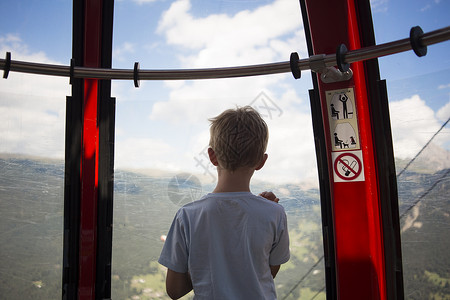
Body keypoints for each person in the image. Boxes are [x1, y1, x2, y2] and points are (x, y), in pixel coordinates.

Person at [158, 106, 290, 299]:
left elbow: (175, 291)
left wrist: (203, 266)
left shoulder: (187, 216)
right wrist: (264, 208)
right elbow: (268, 273)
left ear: (212, 156)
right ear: (261, 162)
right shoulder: (275, 213)